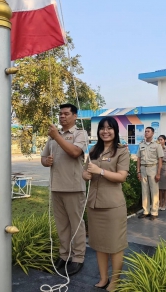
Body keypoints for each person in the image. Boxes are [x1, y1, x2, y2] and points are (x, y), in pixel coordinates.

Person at [82, 117, 130, 291]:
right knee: (99, 245)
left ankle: (115, 281)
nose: (105, 131)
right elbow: (86, 171)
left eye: (109, 128)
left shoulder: (121, 151)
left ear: (115, 130)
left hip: (112, 206)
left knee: (115, 246)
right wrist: (85, 175)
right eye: (102, 128)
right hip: (94, 205)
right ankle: (103, 278)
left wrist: (100, 171)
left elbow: (122, 177)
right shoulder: (94, 150)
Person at [41, 103, 88, 276]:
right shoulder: (54, 134)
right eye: (60, 114)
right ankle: (64, 255)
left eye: (66, 114)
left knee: (77, 224)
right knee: (62, 225)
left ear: (75, 116)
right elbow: (44, 157)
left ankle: (78, 257)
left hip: (74, 187)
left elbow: (75, 152)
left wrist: (56, 136)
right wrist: (46, 162)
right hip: (56, 186)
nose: (62, 117)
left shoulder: (80, 133)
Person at [136, 127, 164, 220]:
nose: (146, 133)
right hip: (143, 168)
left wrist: (158, 173)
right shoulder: (141, 145)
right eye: (145, 131)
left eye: (148, 131)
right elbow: (138, 159)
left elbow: (160, 159)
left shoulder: (157, 145)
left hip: (153, 168)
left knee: (154, 191)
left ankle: (154, 212)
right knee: (144, 191)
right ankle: (146, 211)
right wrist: (138, 171)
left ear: (153, 133)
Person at [157, 135, 166, 211]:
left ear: (165, 140)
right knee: (159, 188)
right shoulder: (156, 148)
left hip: (165, 168)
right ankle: (160, 203)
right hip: (158, 168)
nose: (160, 141)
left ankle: (164, 203)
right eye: (159, 140)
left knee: (165, 188)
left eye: (161, 139)